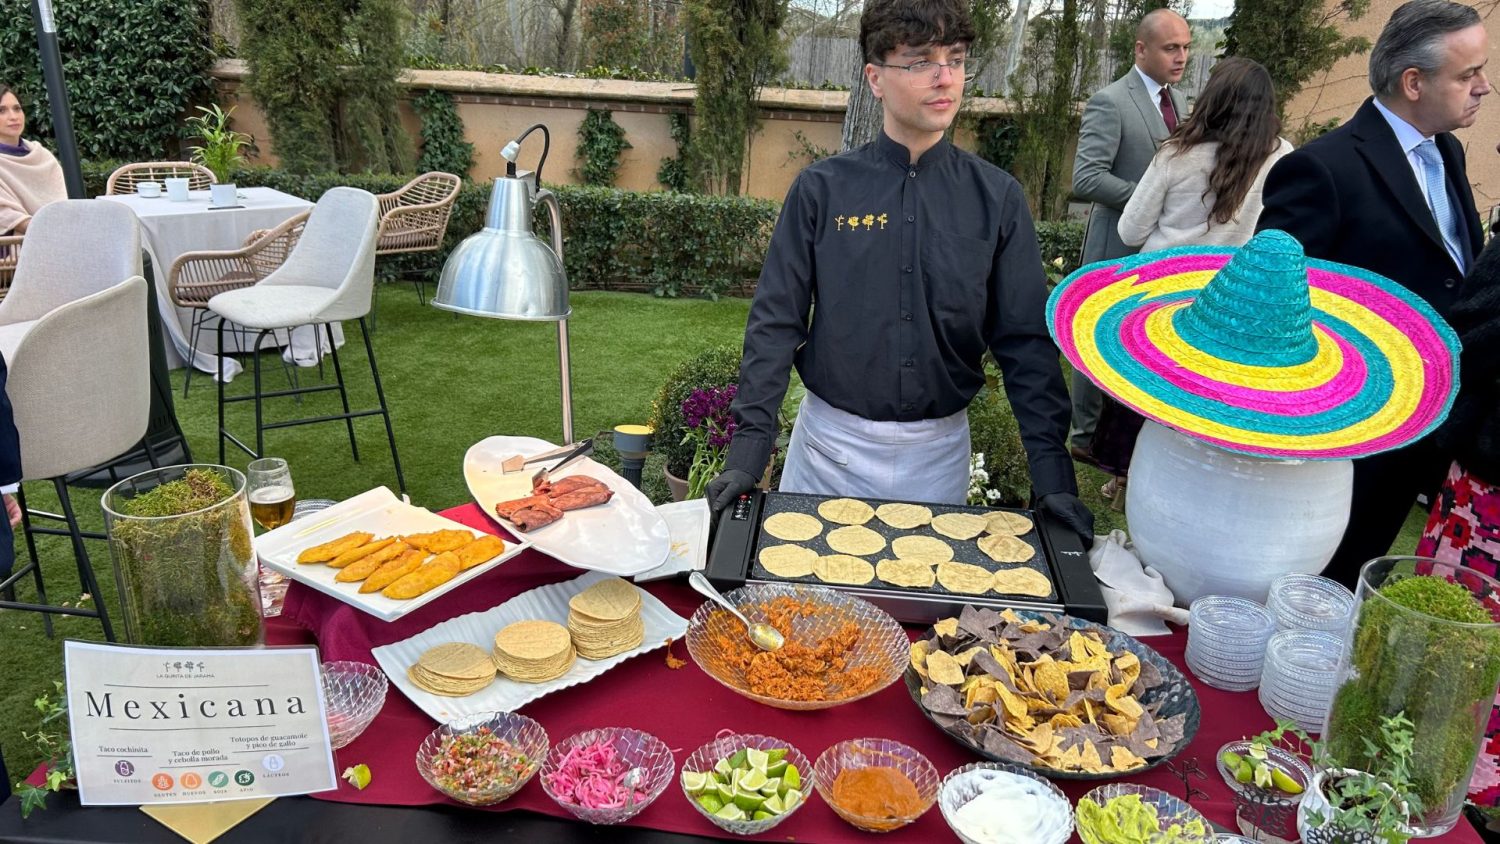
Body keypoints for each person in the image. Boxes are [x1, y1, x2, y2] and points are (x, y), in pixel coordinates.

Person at [705, 0, 1093, 547]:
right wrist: (747, 456)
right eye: (919, 61)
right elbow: (776, 323)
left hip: (938, 458)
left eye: (955, 60)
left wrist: (1053, 480)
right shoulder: (822, 190)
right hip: (828, 451)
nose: (943, 78)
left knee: (923, 628)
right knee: (806, 621)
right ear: (876, 78)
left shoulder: (997, 199)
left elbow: (1025, 345)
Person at [1257, 0, 1488, 588]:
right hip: (1347, 438)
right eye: (1468, 74)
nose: (1484, 87)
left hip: (1422, 426)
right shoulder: (1324, 169)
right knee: (1311, 589)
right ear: (1414, 82)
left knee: (1359, 584)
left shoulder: (1449, 153)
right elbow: (1271, 303)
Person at [1093, 57, 1293, 503]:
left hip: (1159, 294)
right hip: (1228, 303)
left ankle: (1128, 477)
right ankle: (1184, 486)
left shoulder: (1177, 153)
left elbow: (1129, 230)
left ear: (1213, 99)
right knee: (1202, 401)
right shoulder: (1282, 156)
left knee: (1147, 393)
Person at [1414, 143, 1500, 812]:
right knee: (1451, 667)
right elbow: (1468, 332)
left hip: (1487, 500)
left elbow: (1466, 332)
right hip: (1486, 501)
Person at [1067, 8, 1190, 463]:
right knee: (1098, 336)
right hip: (1114, 245)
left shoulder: (1180, 103)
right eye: (1170, 47)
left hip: (1157, 251)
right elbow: (1087, 177)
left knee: (1137, 340)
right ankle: (1084, 436)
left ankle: (1120, 435)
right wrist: (1150, 198)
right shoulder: (1112, 101)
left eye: (1185, 47)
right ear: (1141, 49)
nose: (1181, 57)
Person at [0, 84, 65, 236]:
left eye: (17, 108)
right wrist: (48, 232)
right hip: (12, 250)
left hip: (60, 235)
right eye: (2, 111)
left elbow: (64, 204)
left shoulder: (42, 156)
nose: (13, 117)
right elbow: (5, 215)